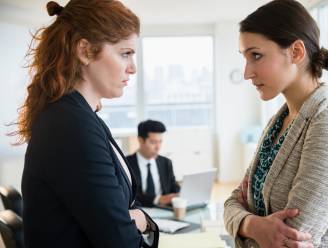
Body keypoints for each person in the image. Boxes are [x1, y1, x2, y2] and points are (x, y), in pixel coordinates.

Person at [15, 1, 159, 247]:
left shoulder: (79, 117)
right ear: (85, 51)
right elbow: (120, 241)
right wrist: (146, 222)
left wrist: (135, 219)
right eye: (125, 53)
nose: (133, 68)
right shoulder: (71, 126)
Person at [223, 0, 328, 247]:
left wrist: (241, 225)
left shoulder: (323, 120)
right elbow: (231, 202)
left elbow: (290, 239)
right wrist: (252, 225)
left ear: (296, 52)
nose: (247, 73)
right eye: (245, 58)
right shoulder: (277, 122)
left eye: (256, 56)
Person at [127, 120, 180, 207]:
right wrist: (158, 199)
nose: (158, 147)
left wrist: (181, 193)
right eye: (153, 142)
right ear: (140, 140)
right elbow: (128, 195)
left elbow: (173, 188)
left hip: (164, 212)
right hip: (138, 212)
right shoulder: (126, 164)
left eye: (160, 142)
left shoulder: (166, 163)